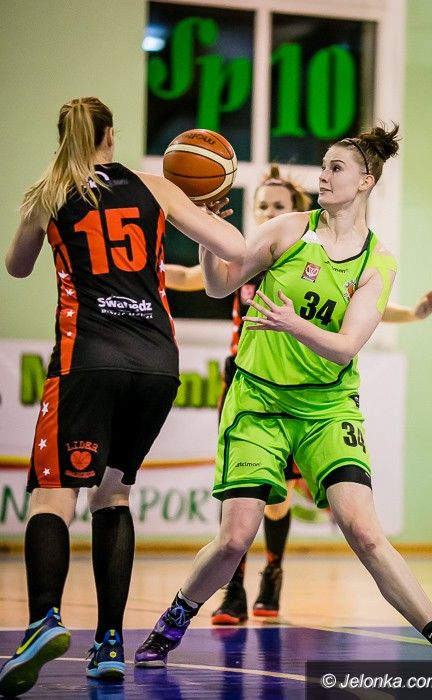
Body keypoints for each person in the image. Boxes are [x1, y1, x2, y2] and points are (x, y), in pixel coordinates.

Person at [134, 123, 432, 691]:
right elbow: (218, 286)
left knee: (364, 531)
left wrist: (294, 323)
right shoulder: (289, 229)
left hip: (327, 405)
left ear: (366, 181)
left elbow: (346, 345)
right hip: (258, 398)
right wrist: (210, 234)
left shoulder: (378, 263)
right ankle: (174, 619)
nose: (323, 175)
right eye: (324, 165)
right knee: (235, 537)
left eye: (336, 167)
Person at [0, 96, 245, 698]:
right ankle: (110, 642)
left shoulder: (48, 192)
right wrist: (204, 210)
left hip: (88, 357)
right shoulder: (156, 187)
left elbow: (17, 267)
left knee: (53, 496)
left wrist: (41, 223)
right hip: (157, 363)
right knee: (113, 495)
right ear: (111, 136)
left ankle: (44, 620)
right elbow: (236, 251)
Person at [165, 166, 432, 625]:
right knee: (240, 504)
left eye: (277, 206)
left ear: (294, 211)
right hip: (249, 380)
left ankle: (272, 571)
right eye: (262, 205)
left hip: (307, 387)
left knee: (279, 500)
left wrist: (413, 313)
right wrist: (140, 267)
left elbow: (369, 308)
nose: (268, 212)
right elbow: (192, 278)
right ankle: (233, 589)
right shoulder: (245, 259)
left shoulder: (311, 253)